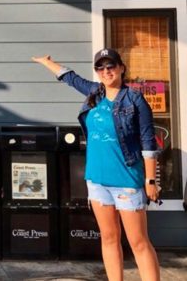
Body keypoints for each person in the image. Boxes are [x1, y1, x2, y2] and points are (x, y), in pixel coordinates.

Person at [33, 49, 160, 281]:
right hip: (97, 180)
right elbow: (70, 78)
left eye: (110, 66)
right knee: (109, 238)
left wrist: (150, 181)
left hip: (127, 181)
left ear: (122, 68)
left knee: (138, 242)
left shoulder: (135, 100)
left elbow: (148, 142)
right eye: (100, 67)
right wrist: (47, 63)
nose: (106, 71)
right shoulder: (94, 92)